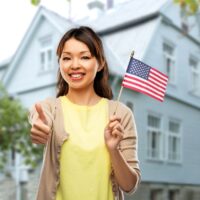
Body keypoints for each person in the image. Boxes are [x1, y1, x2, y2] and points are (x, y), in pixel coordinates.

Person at [28, 26, 140, 200]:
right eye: (66, 58)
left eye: (85, 57)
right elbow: (38, 115)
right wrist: (39, 124)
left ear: (100, 63)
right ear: (60, 63)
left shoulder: (120, 114)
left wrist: (113, 149)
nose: (74, 65)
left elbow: (129, 185)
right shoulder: (52, 108)